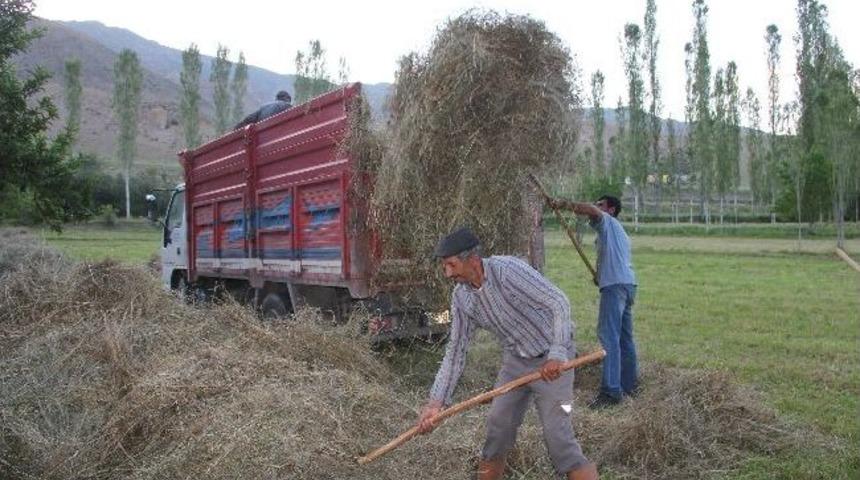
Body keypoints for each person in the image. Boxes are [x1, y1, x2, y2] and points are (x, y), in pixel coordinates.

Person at [417, 227, 599, 480]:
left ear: (472, 260)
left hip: (554, 358)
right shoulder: (462, 298)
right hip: (516, 360)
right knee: (498, 428)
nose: (447, 273)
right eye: (444, 266)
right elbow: (456, 350)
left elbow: (559, 302)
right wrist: (436, 402)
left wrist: (557, 354)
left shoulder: (508, 271)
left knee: (558, 436)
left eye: (451, 265)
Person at [547, 195, 638, 408]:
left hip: (615, 286)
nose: (597, 208)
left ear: (611, 209)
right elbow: (612, 258)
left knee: (609, 338)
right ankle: (630, 386)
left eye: (601, 205)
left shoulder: (608, 221)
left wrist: (564, 204)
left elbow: (591, 210)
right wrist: (599, 273)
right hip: (627, 284)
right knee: (625, 339)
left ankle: (611, 392)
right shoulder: (616, 233)